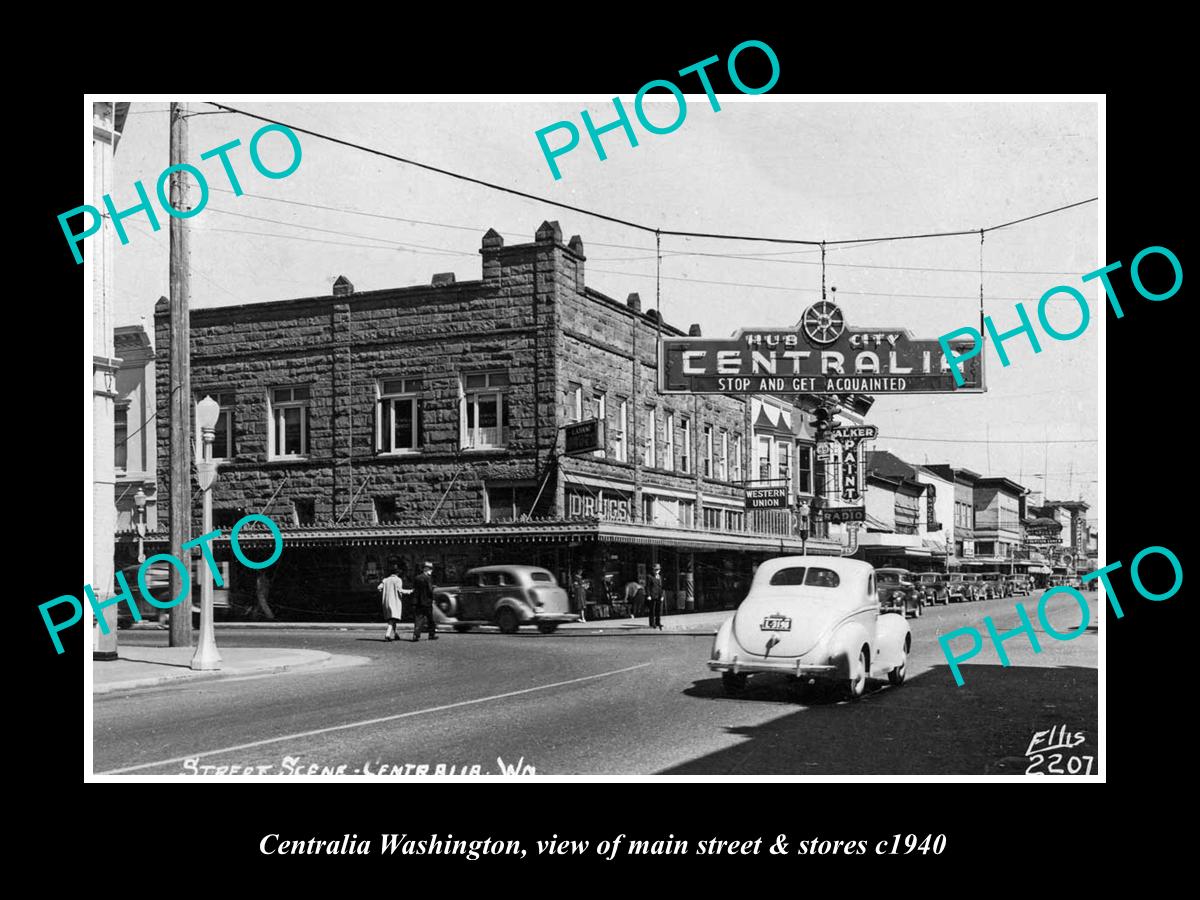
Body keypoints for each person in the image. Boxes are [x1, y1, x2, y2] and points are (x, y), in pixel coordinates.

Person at [377, 566, 408, 641]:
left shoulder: (386, 580)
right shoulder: (398, 580)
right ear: (398, 573)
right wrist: (410, 591)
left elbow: (379, 588)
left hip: (386, 602)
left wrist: (385, 593)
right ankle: (387, 634)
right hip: (394, 601)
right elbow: (400, 590)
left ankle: (396, 634)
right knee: (392, 618)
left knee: (392, 618)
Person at [411, 560, 437, 641]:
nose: (431, 571)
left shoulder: (417, 578)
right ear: (427, 569)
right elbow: (429, 590)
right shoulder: (428, 578)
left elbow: (415, 590)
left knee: (419, 619)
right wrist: (433, 598)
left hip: (418, 602)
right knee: (430, 619)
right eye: (430, 569)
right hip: (427, 602)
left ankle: (416, 635)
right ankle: (431, 635)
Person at [646, 563, 665, 630]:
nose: (657, 571)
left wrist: (662, 595)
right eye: (656, 569)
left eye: (658, 569)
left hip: (659, 595)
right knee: (652, 610)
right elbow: (648, 587)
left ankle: (658, 622)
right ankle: (652, 623)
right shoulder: (649, 577)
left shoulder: (659, 577)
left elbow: (661, 587)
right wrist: (648, 595)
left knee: (658, 610)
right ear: (653, 570)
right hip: (652, 595)